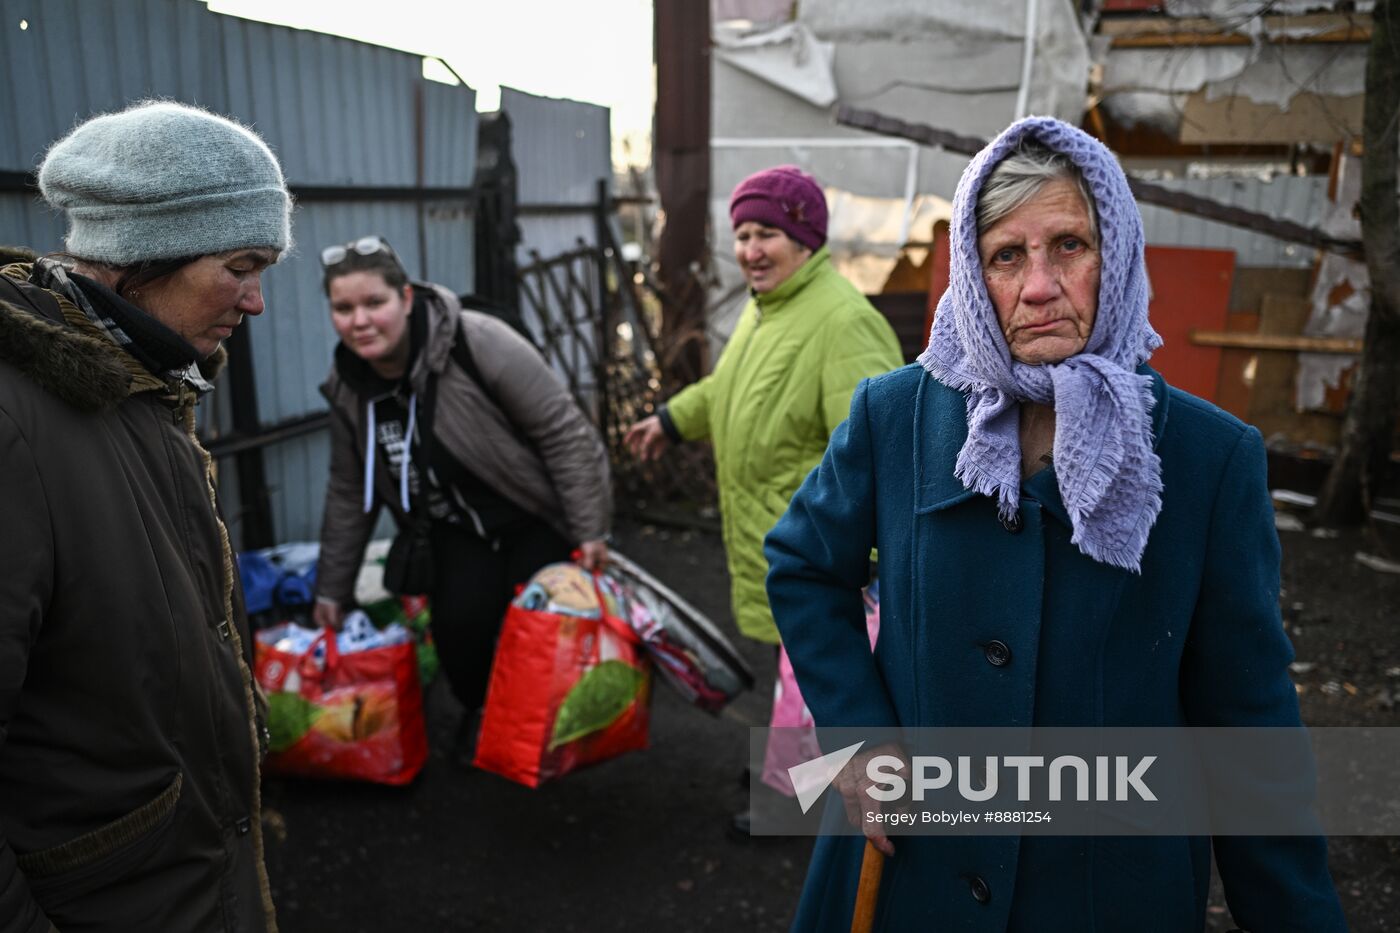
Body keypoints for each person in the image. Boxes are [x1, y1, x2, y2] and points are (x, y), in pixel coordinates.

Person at [765, 117, 1347, 930]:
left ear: (1116, 257)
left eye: (1068, 245)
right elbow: (802, 566)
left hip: (1106, 892)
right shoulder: (895, 418)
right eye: (1007, 255)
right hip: (910, 879)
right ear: (974, 274)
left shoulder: (1210, 458)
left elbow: (1247, 726)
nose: (1039, 286)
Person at [0, 101, 290, 931]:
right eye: (241, 264)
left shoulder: (142, 383)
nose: (257, 300)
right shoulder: (19, 423)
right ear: (141, 256)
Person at [625, 165, 903, 831]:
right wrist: (671, 419)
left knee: (811, 680)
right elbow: (729, 389)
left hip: (825, 558)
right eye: (743, 233)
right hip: (775, 540)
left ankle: (786, 799)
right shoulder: (769, 309)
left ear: (805, 238)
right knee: (800, 678)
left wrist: (865, 559)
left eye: (767, 233)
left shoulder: (843, 323)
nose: (750, 249)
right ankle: (789, 787)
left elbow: (880, 455)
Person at [311, 237, 611, 752]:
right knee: (459, 635)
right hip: (453, 531)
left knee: (548, 633)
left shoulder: (477, 341)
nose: (360, 321)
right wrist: (331, 589)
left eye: (374, 303)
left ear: (406, 298)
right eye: (344, 308)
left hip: (531, 515)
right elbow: (347, 491)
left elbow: (564, 433)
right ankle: (483, 715)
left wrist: (590, 532)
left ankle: (556, 735)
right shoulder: (349, 388)